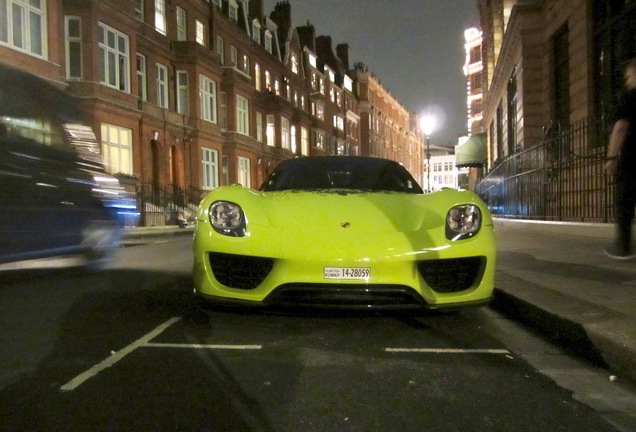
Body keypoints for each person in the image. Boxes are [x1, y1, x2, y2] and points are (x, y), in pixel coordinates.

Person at [604, 58, 636, 259]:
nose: (627, 80)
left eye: (629, 76)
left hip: (633, 159)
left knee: (624, 200)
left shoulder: (630, 98)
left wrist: (611, 157)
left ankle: (623, 247)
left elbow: (620, 128)